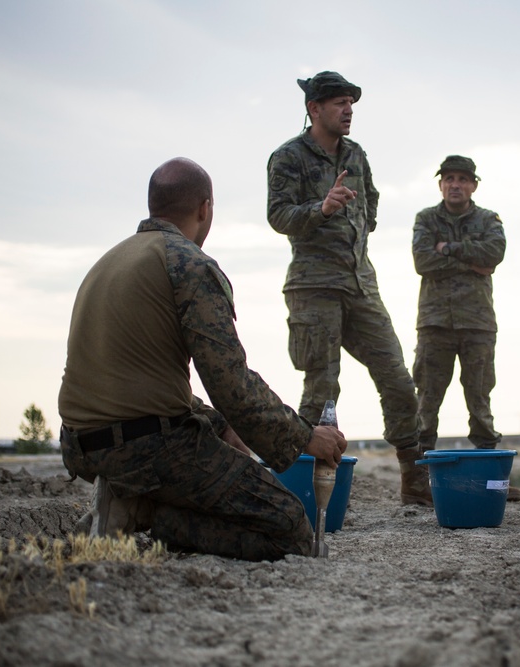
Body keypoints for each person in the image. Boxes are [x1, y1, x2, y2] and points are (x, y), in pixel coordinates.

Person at [58, 157, 347, 561]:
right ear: (204, 209)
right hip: (146, 448)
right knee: (287, 528)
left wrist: (219, 423)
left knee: (212, 443)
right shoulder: (188, 263)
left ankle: (129, 494)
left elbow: (139, 384)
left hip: (80, 444)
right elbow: (230, 381)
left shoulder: (111, 260)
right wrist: (305, 436)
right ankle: (144, 509)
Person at [266, 71, 430, 506]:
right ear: (314, 109)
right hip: (314, 286)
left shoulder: (356, 155)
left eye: (351, 103)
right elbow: (278, 215)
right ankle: (300, 490)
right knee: (322, 390)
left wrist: (353, 235)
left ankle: (414, 480)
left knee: (396, 377)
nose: (348, 110)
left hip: (360, 283)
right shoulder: (288, 157)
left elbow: (369, 205)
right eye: (339, 103)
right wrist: (320, 209)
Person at [411, 155, 520, 501]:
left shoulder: (488, 219)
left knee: (480, 403)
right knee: (426, 405)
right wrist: (472, 262)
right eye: (449, 178)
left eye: (462, 179)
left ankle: (491, 483)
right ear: (440, 183)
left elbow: (495, 253)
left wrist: (448, 249)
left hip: (478, 324)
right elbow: (421, 260)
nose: (455, 184)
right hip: (435, 324)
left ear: (474, 185)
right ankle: (418, 486)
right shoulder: (426, 219)